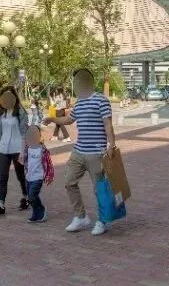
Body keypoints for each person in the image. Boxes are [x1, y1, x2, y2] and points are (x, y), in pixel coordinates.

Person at [43, 68, 116, 235]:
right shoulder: (80, 102)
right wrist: (52, 119)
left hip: (96, 153)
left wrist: (111, 146)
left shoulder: (101, 100)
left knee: (100, 189)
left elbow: (108, 125)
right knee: (69, 182)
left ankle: (103, 221)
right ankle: (81, 217)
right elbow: (69, 119)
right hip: (78, 151)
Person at [0, 86, 29, 217]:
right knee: (3, 177)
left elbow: (24, 133)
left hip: (17, 149)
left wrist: (23, 152)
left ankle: (26, 197)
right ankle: (0, 205)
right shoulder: (1, 113)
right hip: (3, 149)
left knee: (20, 176)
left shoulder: (21, 112)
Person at [18, 125, 53, 223]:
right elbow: (25, 160)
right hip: (29, 176)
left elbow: (49, 164)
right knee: (30, 198)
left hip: (38, 177)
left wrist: (49, 175)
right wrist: (21, 159)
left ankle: (41, 209)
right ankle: (35, 213)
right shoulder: (27, 148)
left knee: (32, 195)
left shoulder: (42, 150)